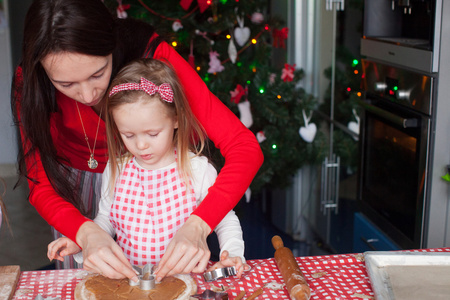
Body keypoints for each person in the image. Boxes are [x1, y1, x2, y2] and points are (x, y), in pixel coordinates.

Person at [11, 0, 263, 282]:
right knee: (86, 282)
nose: (86, 94)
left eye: (97, 73)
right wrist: (83, 231)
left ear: (111, 46)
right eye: (65, 84)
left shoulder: (153, 59)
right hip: (69, 188)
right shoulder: (30, 81)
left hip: (156, 171)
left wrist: (198, 224)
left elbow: (245, 148)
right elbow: (39, 182)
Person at [47, 58, 248, 277]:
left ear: (176, 120)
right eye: (128, 135)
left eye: (152, 134)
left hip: (189, 280)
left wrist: (233, 252)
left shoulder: (197, 169)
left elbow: (224, 219)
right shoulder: (117, 170)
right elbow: (106, 219)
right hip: (132, 283)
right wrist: (82, 242)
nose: (141, 145)